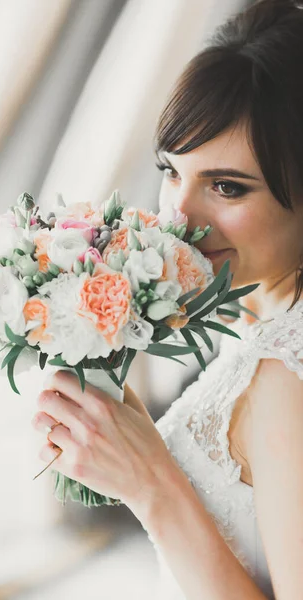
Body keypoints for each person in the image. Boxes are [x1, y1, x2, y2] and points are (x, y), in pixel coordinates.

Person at [31, 1, 303, 598]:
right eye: (172, 171)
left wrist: (151, 484)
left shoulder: (289, 375)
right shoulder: (268, 324)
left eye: (227, 186)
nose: (178, 216)